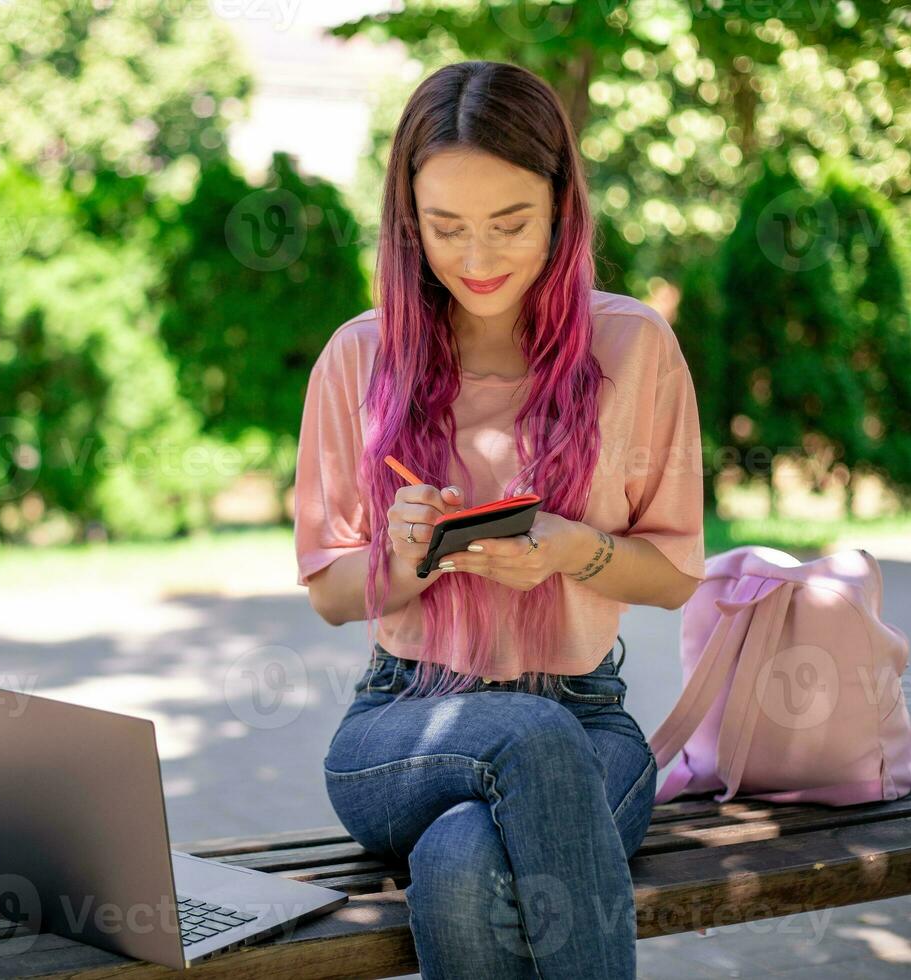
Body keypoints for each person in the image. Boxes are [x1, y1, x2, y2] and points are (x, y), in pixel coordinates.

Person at [292, 61, 707, 978]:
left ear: (563, 205)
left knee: (460, 860)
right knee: (525, 739)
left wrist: (575, 552)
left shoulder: (635, 348)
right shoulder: (359, 359)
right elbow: (328, 589)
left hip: (584, 717)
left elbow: (675, 576)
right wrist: (410, 556)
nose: (477, 259)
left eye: (510, 224)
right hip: (402, 718)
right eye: (445, 229)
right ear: (410, 223)